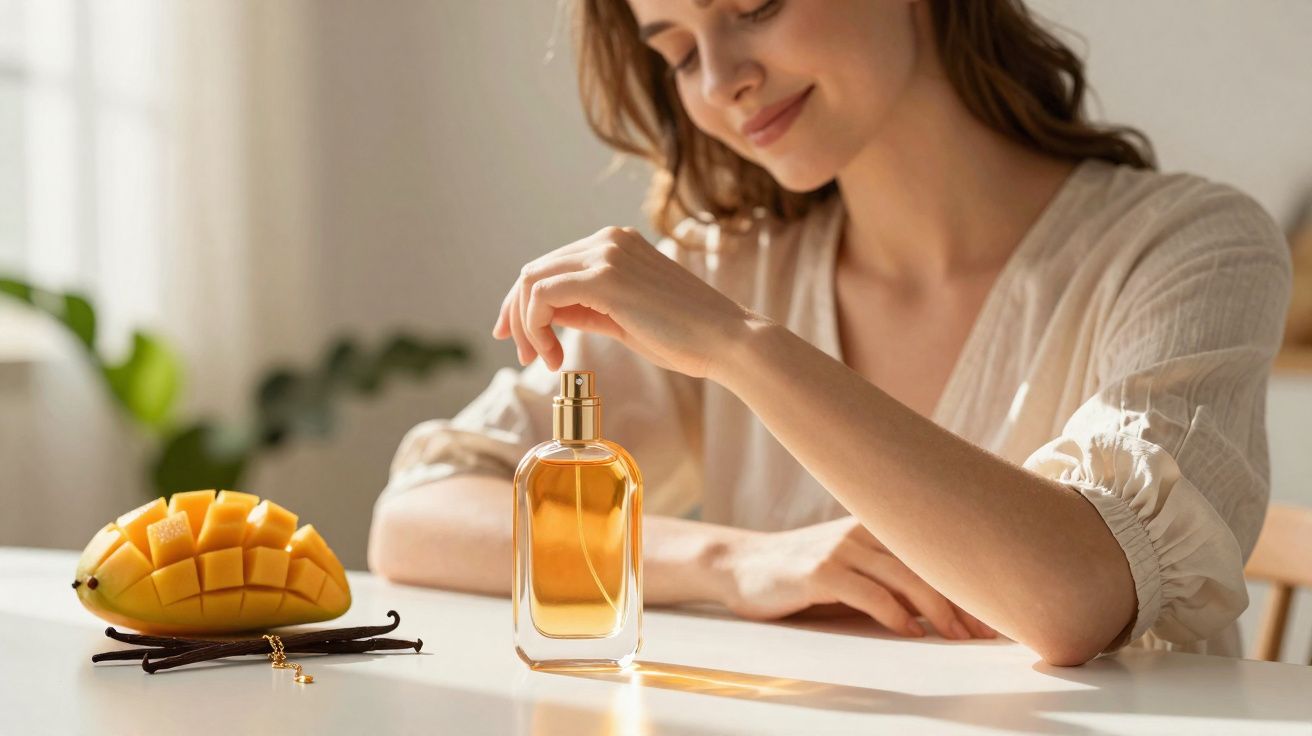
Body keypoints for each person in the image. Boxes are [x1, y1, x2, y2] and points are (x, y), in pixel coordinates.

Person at [368, 0, 1291, 666]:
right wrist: (735, 562)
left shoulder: (1188, 248)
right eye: (679, 51)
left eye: (755, 7)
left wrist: (740, 347)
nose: (723, 81)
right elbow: (419, 514)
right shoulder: (728, 266)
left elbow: (1076, 598)